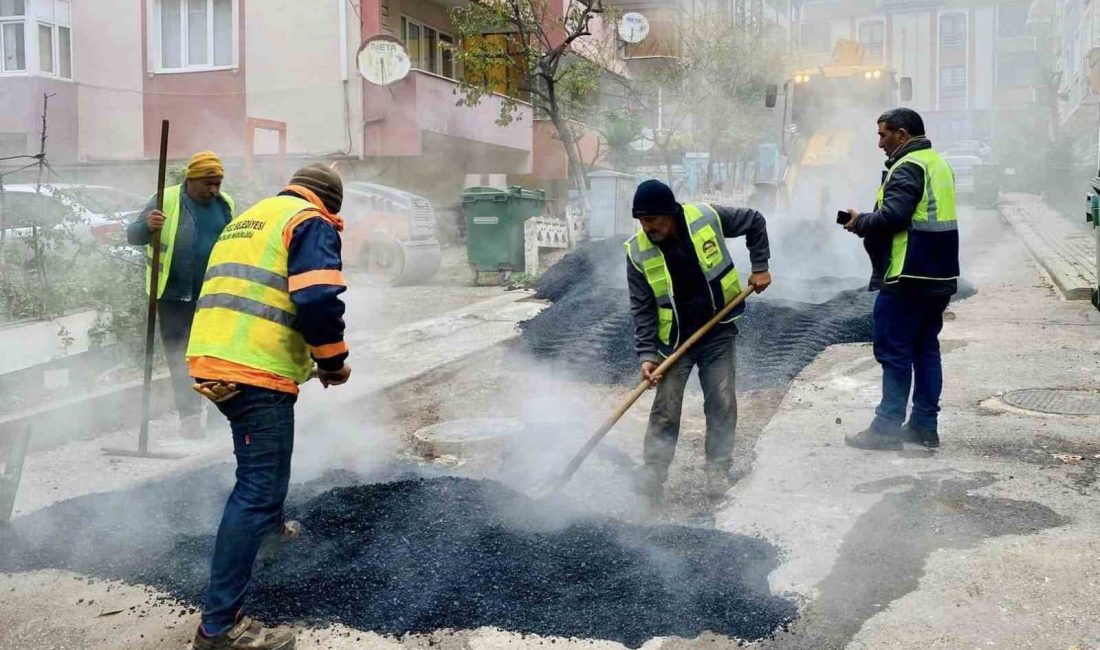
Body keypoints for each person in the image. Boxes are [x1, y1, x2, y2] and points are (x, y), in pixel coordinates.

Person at [186, 165, 351, 650]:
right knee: (258, 485)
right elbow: (318, 298)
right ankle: (219, 627)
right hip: (253, 368)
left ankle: (273, 535)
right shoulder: (310, 220)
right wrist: (333, 361)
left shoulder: (254, 217)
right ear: (330, 204)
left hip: (217, 357)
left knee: (267, 467)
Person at [626, 179, 772, 503]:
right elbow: (642, 307)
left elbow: (755, 221)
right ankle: (653, 475)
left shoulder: (706, 217)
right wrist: (647, 354)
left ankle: (718, 470)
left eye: (653, 219)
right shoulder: (637, 251)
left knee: (721, 402)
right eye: (642, 221)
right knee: (665, 409)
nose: (648, 227)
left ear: (671, 212)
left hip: (717, 330)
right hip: (674, 342)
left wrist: (760, 266)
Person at [842, 107, 960, 450]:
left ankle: (886, 428)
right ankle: (924, 426)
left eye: (883, 134)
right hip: (939, 274)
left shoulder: (908, 166)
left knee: (894, 351)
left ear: (903, 135)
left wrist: (859, 222)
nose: (879, 143)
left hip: (908, 274)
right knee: (925, 349)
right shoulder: (936, 163)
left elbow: (893, 217)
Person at [127, 151, 235, 439]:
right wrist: (148, 226)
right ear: (191, 179)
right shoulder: (167, 199)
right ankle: (189, 418)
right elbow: (133, 236)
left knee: (215, 357)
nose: (214, 189)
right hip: (173, 296)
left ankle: (217, 414)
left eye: (218, 183)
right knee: (181, 359)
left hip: (214, 296)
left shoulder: (225, 205)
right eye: (208, 183)